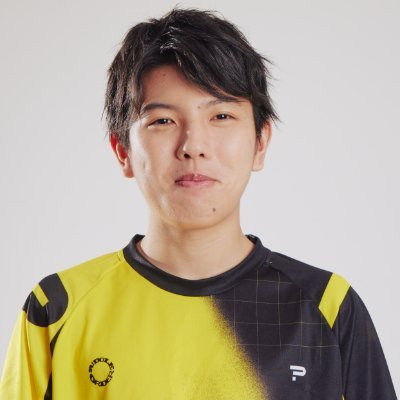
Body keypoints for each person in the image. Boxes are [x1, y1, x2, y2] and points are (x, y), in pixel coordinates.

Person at [0, 7, 397, 400]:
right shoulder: (57, 309)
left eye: (221, 116)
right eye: (163, 121)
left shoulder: (327, 308)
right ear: (122, 151)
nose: (193, 146)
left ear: (260, 142)